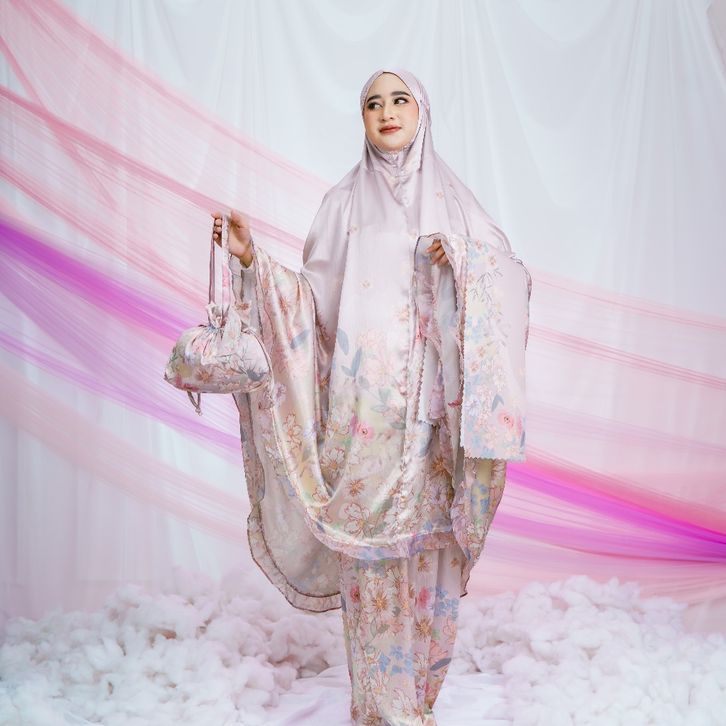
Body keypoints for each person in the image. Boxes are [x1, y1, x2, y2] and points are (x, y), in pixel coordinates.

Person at [210, 68, 529, 726]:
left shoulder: (458, 204)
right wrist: (250, 262)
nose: (387, 112)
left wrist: (461, 260)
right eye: (372, 103)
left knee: (432, 561)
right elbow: (307, 307)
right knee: (372, 567)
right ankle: (382, 711)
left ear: (422, 111)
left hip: (436, 426)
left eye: (399, 100)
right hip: (365, 423)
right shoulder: (341, 207)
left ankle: (420, 703)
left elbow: (512, 278)